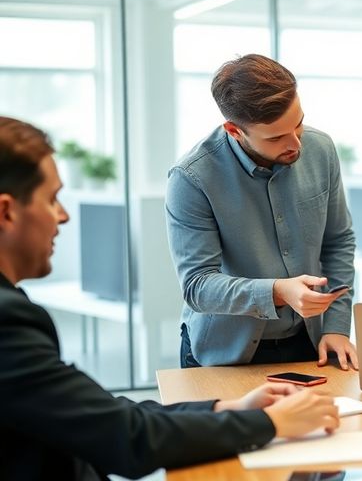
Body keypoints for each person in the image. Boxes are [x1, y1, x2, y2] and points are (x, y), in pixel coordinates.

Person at [0, 116, 342, 480]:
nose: (64, 215)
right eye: (52, 199)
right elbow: (128, 438)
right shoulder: (8, 324)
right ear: (6, 211)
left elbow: (104, 414)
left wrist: (228, 409)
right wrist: (266, 423)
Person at [166, 54, 358, 369]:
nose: (295, 143)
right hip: (224, 353)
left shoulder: (321, 150)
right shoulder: (192, 178)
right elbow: (198, 285)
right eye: (276, 137)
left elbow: (338, 240)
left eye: (298, 124)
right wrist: (277, 291)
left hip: (310, 341)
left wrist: (336, 326)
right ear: (234, 130)